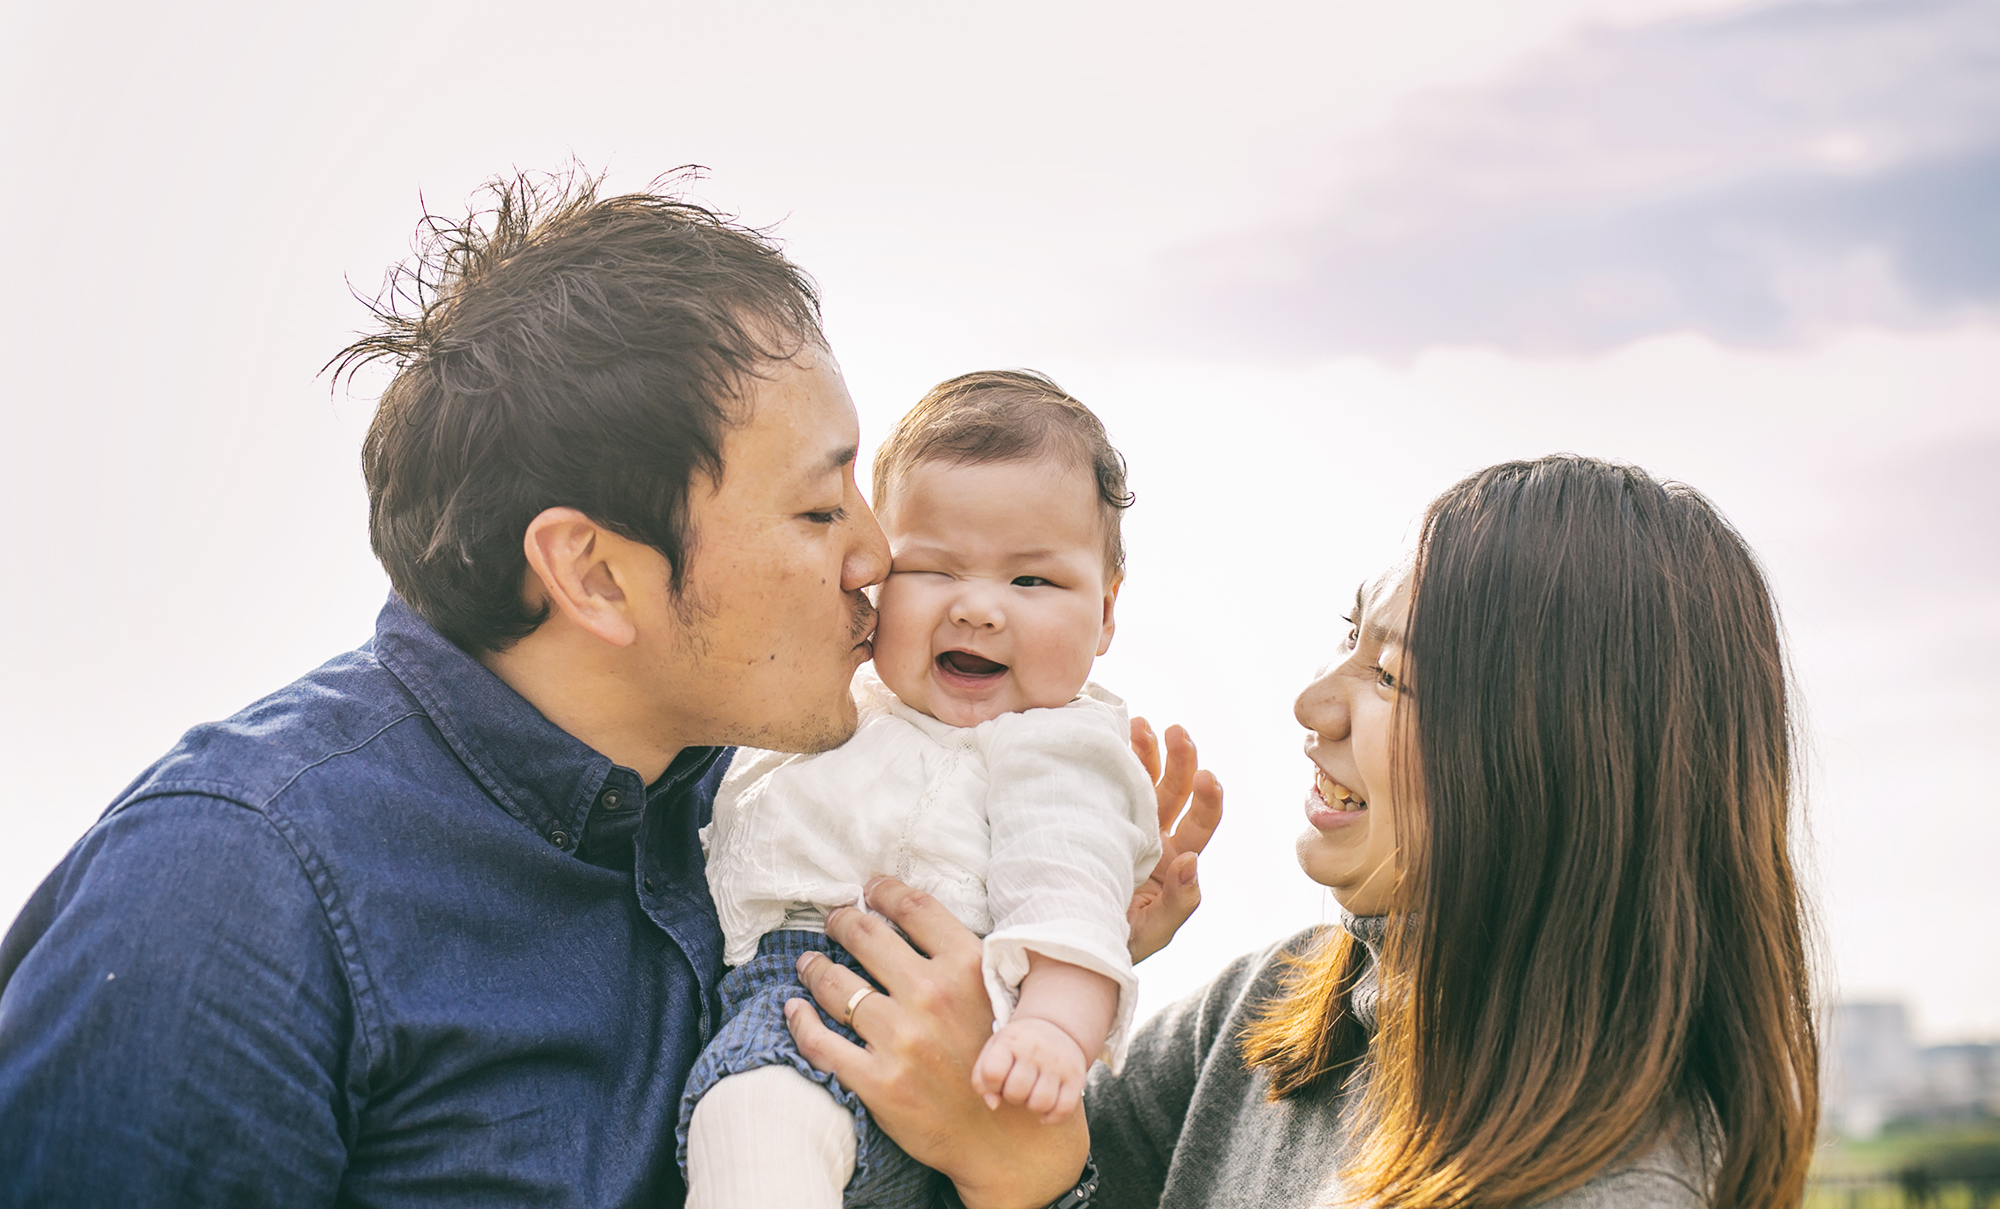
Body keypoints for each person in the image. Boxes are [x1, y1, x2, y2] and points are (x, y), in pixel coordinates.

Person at [0, 172, 1214, 1209]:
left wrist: (1027, 1105)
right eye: (816, 506)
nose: (872, 556)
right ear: (593, 572)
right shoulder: (235, 894)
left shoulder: (765, 807)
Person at [789, 455, 1820, 1207]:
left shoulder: (1609, 1189)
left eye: (1391, 675)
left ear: (1565, 755)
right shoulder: (1268, 1013)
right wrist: (1042, 960)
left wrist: (1017, 1170)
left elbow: (1019, 1172)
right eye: (1345, 644)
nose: (1311, 704)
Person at [682, 372, 1164, 1208]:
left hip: (891, 1020)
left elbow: (1075, 914)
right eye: (933, 569)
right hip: (754, 988)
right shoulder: (841, 698)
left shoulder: (1058, 750)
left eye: (1033, 582)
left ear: (1108, 613)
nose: (978, 609)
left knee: (757, 1126)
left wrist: (1048, 1030)